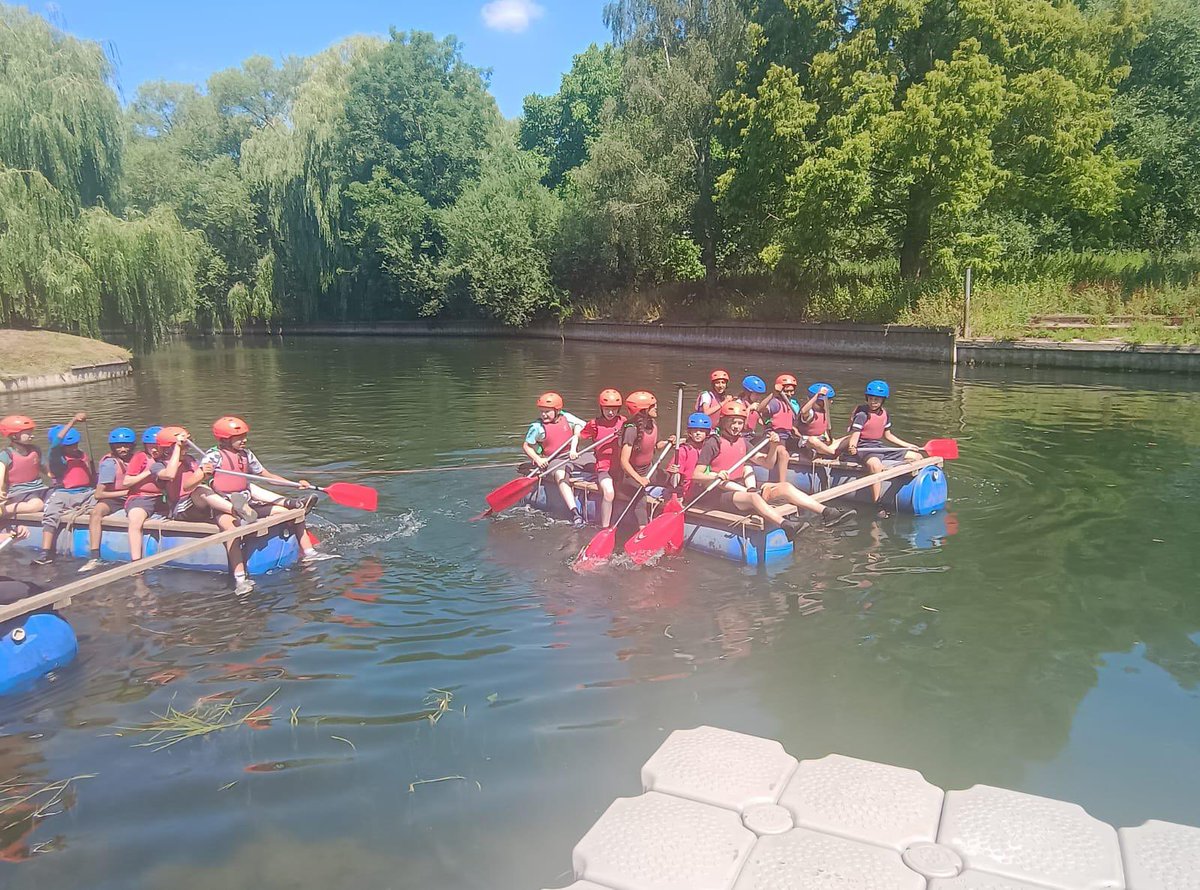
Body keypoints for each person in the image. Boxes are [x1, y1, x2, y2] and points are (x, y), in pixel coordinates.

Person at [693, 402, 855, 534]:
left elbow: (767, 464)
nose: (736, 426)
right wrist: (715, 476)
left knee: (785, 487)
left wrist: (773, 445)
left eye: (740, 422)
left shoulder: (743, 442)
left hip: (743, 488)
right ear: (723, 421)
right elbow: (696, 475)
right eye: (732, 422)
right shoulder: (713, 443)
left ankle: (827, 513)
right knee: (754, 498)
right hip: (719, 494)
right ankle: (786, 525)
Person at [200, 416, 325, 561]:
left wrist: (295, 484)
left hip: (247, 501)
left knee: (289, 513)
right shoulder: (213, 456)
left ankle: (308, 552)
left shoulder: (246, 455)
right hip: (226, 505)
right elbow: (199, 481)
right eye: (239, 437)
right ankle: (241, 571)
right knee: (249, 491)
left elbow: (268, 476)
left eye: (245, 436)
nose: (244, 440)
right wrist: (205, 472)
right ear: (225, 439)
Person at [150, 426, 255, 594]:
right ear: (169, 447)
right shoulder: (157, 465)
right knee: (200, 490)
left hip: (204, 504)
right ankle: (236, 509)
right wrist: (177, 447)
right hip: (182, 508)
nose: (187, 447)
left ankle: (240, 579)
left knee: (231, 527)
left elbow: (207, 477)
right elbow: (170, 475)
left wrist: (207, 474)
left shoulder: (191, 460)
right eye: (184, 445)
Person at [844, 379, 923, 505]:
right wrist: (852, 446)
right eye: (870, 399)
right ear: (867, 398)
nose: (873, 402)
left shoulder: (885, 414)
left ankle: (906, 489)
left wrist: (907, 445)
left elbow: (888, 435)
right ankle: (877, 502)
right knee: (875, 465)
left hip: (878, 446)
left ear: (882, 400)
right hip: (864, 447)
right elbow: (855, 436)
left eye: (877, 399)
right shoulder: (862, 415)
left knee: (917, 457)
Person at [34, 415, 96, 565]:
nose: (74, 448)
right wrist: (73, 420)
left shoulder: (81, 454)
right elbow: (56, 443)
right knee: (51, 514)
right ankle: (45, 552)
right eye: (70, 445)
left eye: (75, 444)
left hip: (87, 492)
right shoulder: (58, 458)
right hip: (64, 494)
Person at [78, 427, 138, 573]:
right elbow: (99, 494)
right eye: (119, 446)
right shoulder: (109, 464)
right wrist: (125, 492)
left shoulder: (138, 459)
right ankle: (94, 556)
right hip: (114, 499)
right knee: (96, 513)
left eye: (126, 445)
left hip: (135, 498)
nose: (123, 449)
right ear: (113, 447)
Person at [522, 392, 586, 526]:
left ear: (557, 411)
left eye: (547, 412)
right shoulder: (537, 427)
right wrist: (538, 459)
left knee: (595, 459)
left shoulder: (567, 417)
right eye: (542, 411)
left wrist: (576, 439)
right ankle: (575, 512)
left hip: (571, 455)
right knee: (560, 475)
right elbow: (527, 446)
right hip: (553, 459)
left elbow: (583, 426)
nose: (544, 414)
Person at [616, 391, 672, 529]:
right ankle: (643, 530)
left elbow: (654, 447)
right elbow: (624, 461)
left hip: (648, 470)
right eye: (653, 406)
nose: (656, 408)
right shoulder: (631, 430)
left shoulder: (652, 424)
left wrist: (668, 443)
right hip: (631, 475)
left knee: (672, 479)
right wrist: (639, 479)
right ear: (644, 410)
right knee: (641, 499)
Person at [578, 390, 624, 529]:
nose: (611, 413)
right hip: (604, 468)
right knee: (609, 493)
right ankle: (605, 527)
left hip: (621, 468)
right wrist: (573, 450)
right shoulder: (594, 424)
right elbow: (579, 437)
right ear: (601, 408)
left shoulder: (624, 423)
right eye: (607, 409)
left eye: (614, 409)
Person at [736, 375, 791, 483]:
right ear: (747, 393)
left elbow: (761, 423)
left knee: (774, 444)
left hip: (751, 437)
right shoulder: (738, 404)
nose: (758, 397)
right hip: (741, 438)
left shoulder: (755, 405)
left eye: (759, 395)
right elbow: (741, 426)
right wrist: (748, 410)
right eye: (756, 394)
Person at [0, 415, 47, 520]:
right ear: (14, 436)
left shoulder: (36, 450)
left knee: (60, 498)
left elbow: (48, 471)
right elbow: (0, 475)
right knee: (37, 504)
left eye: (32, 432)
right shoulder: (6, 454)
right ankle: (4, 510)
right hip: (19, 492)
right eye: (28, 433)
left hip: (40, 488)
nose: (32, 436)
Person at [665, 412, 712, 501]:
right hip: (685, 491)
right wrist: (675, 473)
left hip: (701, 490)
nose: (698, 433)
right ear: (690, 432)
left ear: (707, 433)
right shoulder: (683, 450)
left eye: (702, 430)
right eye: (695, 430)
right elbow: (674, 481)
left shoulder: (709, 449)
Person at [796, 382, 843, 458]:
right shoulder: (810, 413)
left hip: (823, 443)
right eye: (829, 400)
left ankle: (826, 452)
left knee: (848, 438)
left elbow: (826, 434)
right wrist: (817, 395)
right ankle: (833, 453)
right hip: (809, 444)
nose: (831, 402)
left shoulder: (824, 412)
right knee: (812, 440)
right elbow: (804, 411)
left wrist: (830, 440)